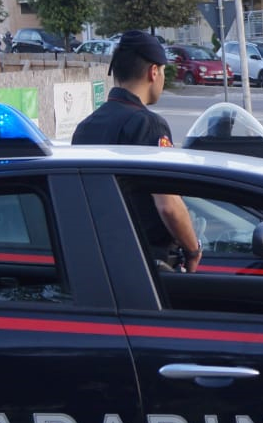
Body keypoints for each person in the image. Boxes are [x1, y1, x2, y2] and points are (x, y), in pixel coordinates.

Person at [72, 31, 202, 273]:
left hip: (100, 263)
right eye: (163, 72)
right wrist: (193, 249)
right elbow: (168, 205)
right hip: (148, 265)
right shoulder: (148, 125)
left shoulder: (86, 127)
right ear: (154, 72)